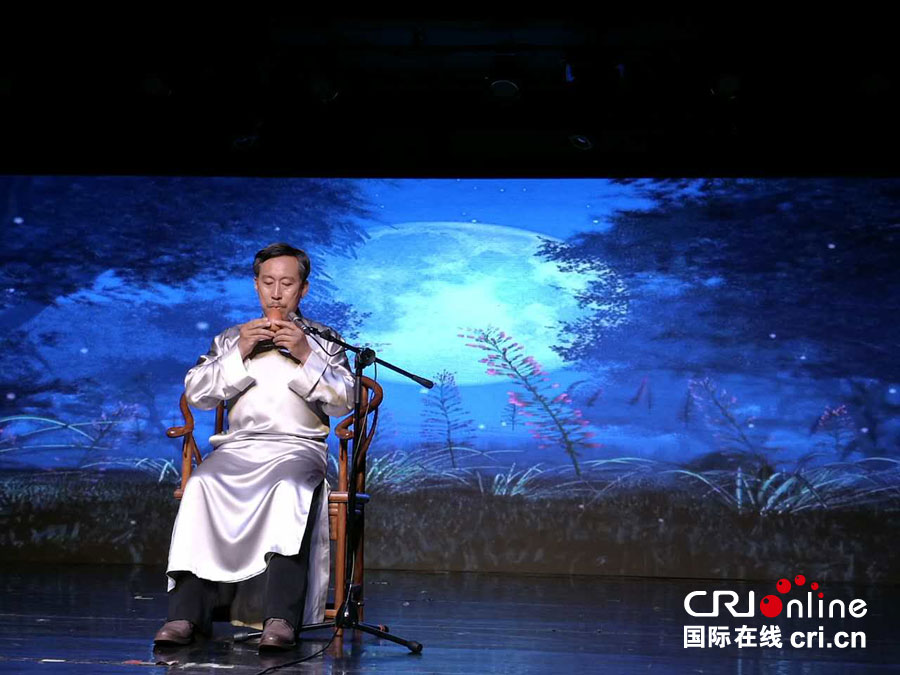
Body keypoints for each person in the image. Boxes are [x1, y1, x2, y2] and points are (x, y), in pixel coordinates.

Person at [153, 242, 356, 651]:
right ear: (256, 285)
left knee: (289, 489)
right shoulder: (232, 337)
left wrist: (305, 354)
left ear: (303, 289)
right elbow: (198, 394)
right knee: (201, 485)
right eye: (268, 283)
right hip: (238, 448)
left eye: (287, 283)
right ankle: (185, 615)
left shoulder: (324, 340)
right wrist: (239, 352)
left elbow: (345, 401)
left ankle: (280, 617)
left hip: (297, 448)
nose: (277, 293)